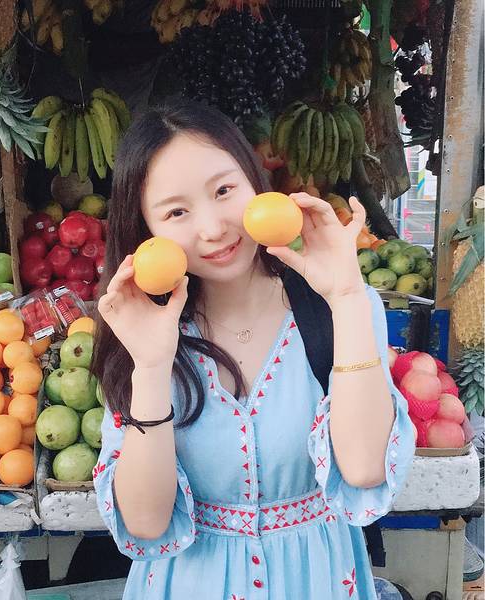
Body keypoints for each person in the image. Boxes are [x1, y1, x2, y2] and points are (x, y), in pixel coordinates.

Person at [90, 99, 415, 599]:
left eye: (224, 190)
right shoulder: (137, 329)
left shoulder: (339, 306)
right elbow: (147, 522)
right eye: (176, 211)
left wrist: (348, 297)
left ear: (254, 181)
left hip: (316, 581)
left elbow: (366, 468)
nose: (213, 228)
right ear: (146, 229)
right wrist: (151, 366)